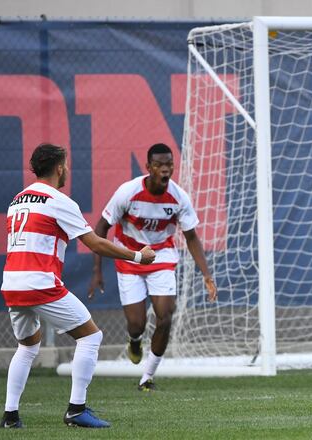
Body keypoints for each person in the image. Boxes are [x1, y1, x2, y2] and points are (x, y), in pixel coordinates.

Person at [0, 144, 156, 429]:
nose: (68, 169)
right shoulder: (59, 200)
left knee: (27, 346)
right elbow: (95, 242)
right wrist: (137, 256)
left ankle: (10, 416)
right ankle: (76, 410)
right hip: (39, 283)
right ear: (60, 168)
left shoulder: (17, 200)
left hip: (11, 283)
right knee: (90, 337)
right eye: (66, 164)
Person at [88, 143, 217, 391]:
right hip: (130, 258)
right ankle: (134, 340)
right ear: (148, 168)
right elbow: (101, 227)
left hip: (161, 258)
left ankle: (147, 377)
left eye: (169, 164)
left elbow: (191, 237)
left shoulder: (179, 198)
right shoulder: (128, 192)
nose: (165, 169)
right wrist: (97, 271)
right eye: (159, 165)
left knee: (165, 316)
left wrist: (207, 275)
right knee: (136, 324)